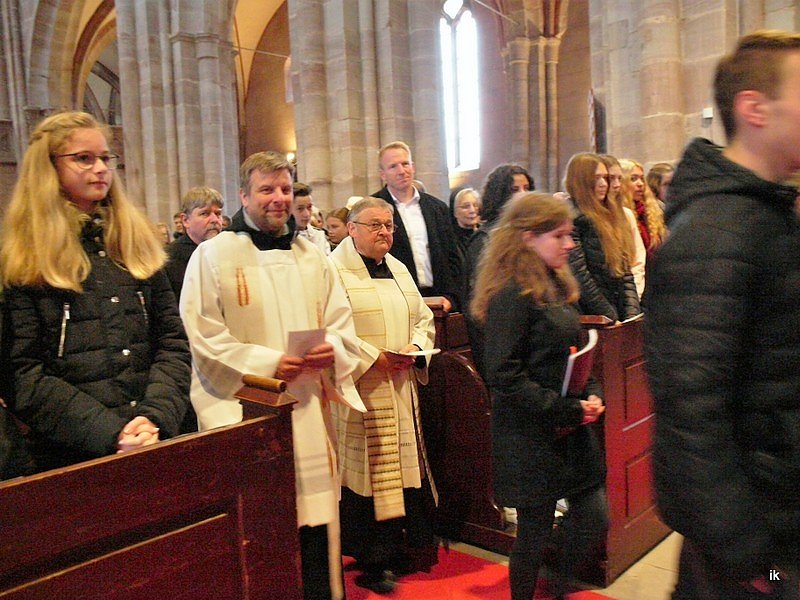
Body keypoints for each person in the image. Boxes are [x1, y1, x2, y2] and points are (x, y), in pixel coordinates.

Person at [645, 30, 800, 598]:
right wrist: (746, 553)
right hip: (754, 544)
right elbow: (691, 412)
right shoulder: (717, 230)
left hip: (777, 512)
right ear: (754, 108)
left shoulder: (765, 214)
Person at [180, 150, 362, 600]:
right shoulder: (213, 255)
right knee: (262, 534)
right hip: (248, 414)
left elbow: (343, 324)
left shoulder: (312, 256)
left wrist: (331, 349)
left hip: (308, 411)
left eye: (284, 188)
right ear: (244, 195)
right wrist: (267, 365)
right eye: (266, 189)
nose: (278, 198)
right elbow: (203, 334)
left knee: (316, 527)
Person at [0, 111, 190, 471]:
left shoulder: (136, 245)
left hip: (154, 438)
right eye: (84, 159)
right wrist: (110, 432)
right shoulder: (24, 260)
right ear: (49, 168)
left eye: (105, 158)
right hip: (72, 454)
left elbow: (172, 343)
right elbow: (23, 374)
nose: (101, 168)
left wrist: (154, 417)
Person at [471, 192, 607, 600]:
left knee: (594, 515)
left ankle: (558, 584)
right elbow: (503, 373)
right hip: (531, 431)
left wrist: (592, 393)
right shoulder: (512, 294)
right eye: (560, 236)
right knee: (532, 532)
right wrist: (566, 407)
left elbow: (574, 350)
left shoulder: (554, 282)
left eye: (569, 236)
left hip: (566, 424)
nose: (569, 244)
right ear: (528, 238)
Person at [330, 197, 438, 594]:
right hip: (362, 388)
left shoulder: (398, 269)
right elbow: (331, 327)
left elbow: (422, 317)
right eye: (375, 225)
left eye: (389, 225)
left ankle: (398, 547)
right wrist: (373, 358)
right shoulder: (334, 271)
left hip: (399, 382)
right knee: (370, 475)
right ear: (352, 228)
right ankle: (372, 558)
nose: (385, 233)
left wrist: (414, 349)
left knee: (401, 467)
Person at [371, 141, 462, 311]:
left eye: (405, 164)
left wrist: (451, 297)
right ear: (382, 174)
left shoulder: (437, 208)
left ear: (413, 166)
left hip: (438, 300)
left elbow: (452, 258)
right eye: (393, 166)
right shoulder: (372, 209)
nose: (401, 171)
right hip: (394, 302)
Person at [464, 163, 534, 378]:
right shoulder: (485, 239)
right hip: (502, 339)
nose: (523, 195)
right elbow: (482, 303)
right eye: (515, 190)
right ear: (500, 193)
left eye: (526, 188)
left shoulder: (531, 234)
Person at [565, 153, 640, 322]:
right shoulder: (571, 218)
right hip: (592, 317)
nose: (603, 184)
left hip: (617, 313)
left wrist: (632, 315)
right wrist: (610, 317)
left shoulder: (610, 216)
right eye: (596, 178)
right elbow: (580, 276)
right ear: (580, 181)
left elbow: (624, 271)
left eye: (605, 178)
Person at [164, 185, 224, 302]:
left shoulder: (229, 252)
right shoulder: (168, 260)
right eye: (205, 214)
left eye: (218, 214)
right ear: (186, 220)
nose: (214, 220)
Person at [600, 154, 647, 299]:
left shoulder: (626, 215)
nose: (617, 185)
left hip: (630, 294)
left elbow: (636, 260)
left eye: (619, 179)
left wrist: (635, 298)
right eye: (611, 178)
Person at [620, 158, 667, 264]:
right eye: (633, 179)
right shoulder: (620, 214)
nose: (640, 184)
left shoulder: (652, 211)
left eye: (642, 178)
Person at [292, 182, 331, 255]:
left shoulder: (319, 236)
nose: (306, 214)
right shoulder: (282, 241)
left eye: (309, 207)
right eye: (300, 208)